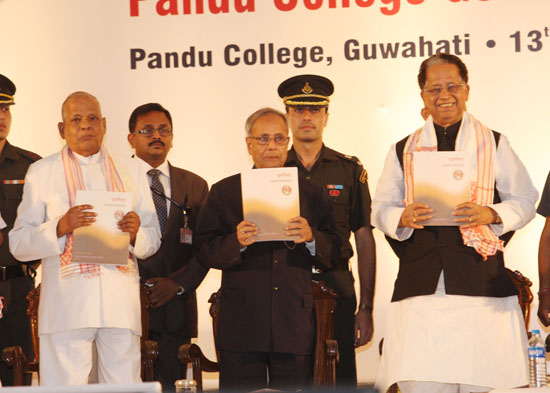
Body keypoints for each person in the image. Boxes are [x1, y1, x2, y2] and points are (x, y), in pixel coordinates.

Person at [373, 53, 538, 393]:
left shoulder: (494, 143)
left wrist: (490, 214)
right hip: (421, 289)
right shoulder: (402, 148)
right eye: (434, 89)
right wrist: (401, 217)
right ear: (422, 95)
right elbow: (380, 208)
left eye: (452, 86)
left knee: (485, 383)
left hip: (481, 287)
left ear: (466, 90)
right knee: (423, 383)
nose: (443, 95)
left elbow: (525, 199)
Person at [9, 91, 161, 385]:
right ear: (61, 129)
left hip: (120, 304)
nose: (86, 126)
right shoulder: (41, 172)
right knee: (66, 389)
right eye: (76, 119)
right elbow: (18, 243)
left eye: (92, 118)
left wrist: (134, 235)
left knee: (124, 389)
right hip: (67, 305)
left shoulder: (133, 170)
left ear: (104, 124)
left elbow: (152, 238)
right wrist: (59, 227)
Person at [195, 107, 340, 391]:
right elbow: (203, 251)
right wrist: (234, 241)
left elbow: (337, 251)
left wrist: (311, 238)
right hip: (242, 323)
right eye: (263, 139)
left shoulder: (312, 193)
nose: (271, 146)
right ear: (249, 144)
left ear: (287, 143)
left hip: (293, 321)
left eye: (278, 139)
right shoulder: (225, 192)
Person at [278, 74, 376, 386]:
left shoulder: (349, 169)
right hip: (286, 287)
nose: (307, 117)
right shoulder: (270, 171)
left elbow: (364, 237)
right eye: (298, 110)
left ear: (326, 116)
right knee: (290, 376)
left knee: (341, 375)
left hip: (337, 286)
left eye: (315, 110)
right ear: (288, 116)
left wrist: (367, 308)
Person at [127, 103, 209, 391]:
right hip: (126, 308)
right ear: (131, 138)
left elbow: (206, 248)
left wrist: (176, 284)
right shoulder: (114, 180)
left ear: (172, 137)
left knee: (173, 386)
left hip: (177, 307)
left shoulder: (195, 185)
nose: (156, 136)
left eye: (164, 130)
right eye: (147, 130)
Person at [0, 74, 41, 386]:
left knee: (19, 381)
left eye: (6, 109)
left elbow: (48, 226)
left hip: (18, 292)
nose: (2, 117)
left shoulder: (31, 166)